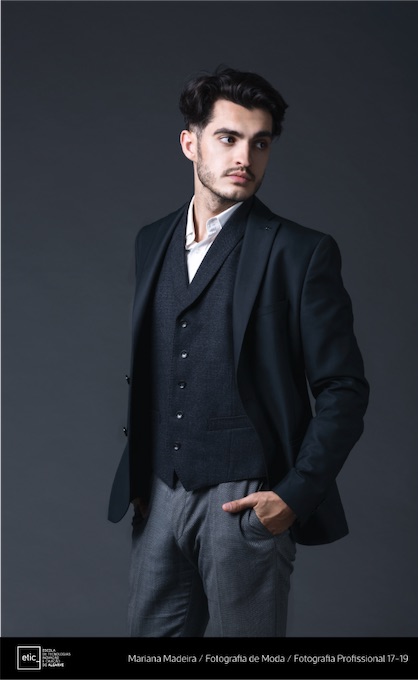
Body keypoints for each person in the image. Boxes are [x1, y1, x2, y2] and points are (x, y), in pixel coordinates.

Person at [108, 66, 369, 638]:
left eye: (260, 142)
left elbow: (344, 389)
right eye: (228, 138)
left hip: (246, 501)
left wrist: (293, 496)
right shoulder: (151, 240)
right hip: (159, 494)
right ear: (190, 143)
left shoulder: (301, 252)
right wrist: (144, 479)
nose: (245, 157)